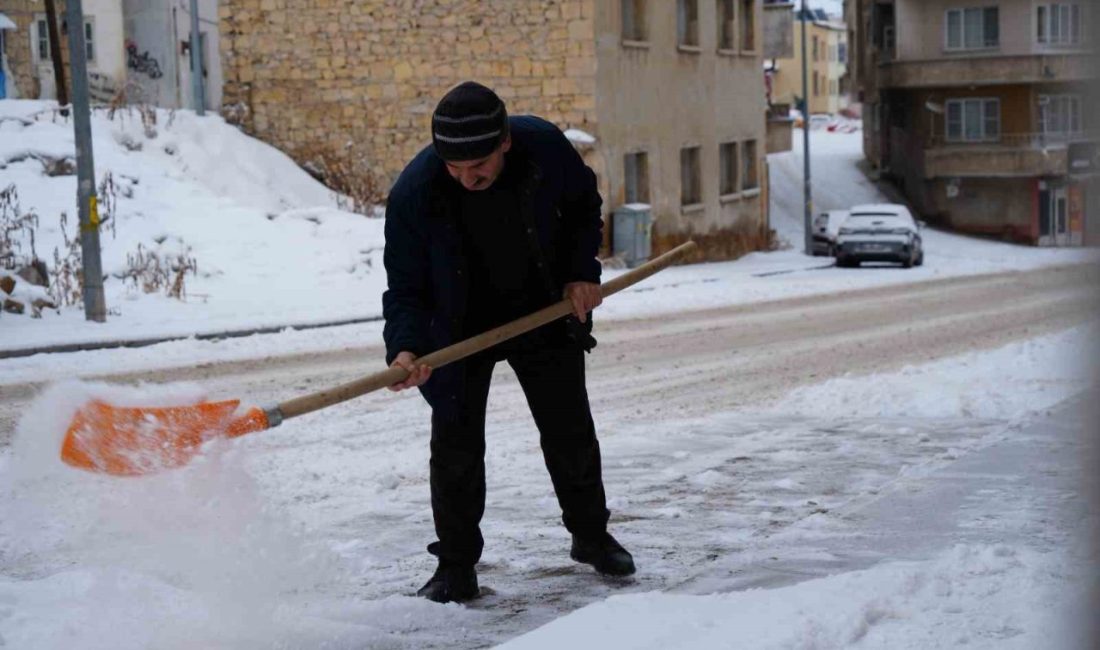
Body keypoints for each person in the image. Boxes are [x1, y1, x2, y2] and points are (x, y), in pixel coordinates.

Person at [382, 81, 635, 604]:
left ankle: (591, 536)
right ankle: (455, 565)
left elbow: (584, 207)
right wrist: (405, 347)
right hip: (455, 326)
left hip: (541, 307)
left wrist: (581, 272)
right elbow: (404, 285)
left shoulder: (543, 147)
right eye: (454, 167)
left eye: (477, 166)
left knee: (568, 428)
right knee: (454, 444)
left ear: (504, 144)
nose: (465, 178)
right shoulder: (416, 191)